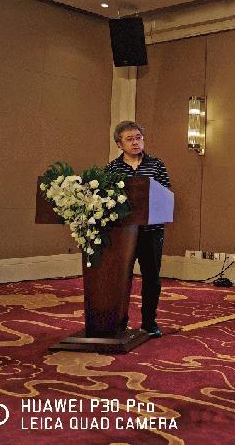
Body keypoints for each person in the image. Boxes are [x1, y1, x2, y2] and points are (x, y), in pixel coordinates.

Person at [105, 120, 170, 338]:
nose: (135, 142)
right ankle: (119, 322)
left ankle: (149, 323)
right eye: (129, 139)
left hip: (151, 231)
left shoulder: (156, 165)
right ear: (119, 144)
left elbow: (165, 194)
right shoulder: (112, 168)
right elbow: (105, 198)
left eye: (138, 138)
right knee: (121, 277)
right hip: (122, 233)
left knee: (151, 277)